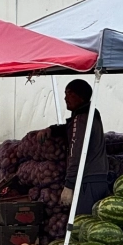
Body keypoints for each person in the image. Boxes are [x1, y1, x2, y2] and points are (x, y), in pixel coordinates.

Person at [41, 79, 108, 216]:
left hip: (87, 181)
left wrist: (69, 185)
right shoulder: (91, 113)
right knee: (96, 222)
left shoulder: (82, 119)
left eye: (69, 93)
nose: (65, 98)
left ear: (80, 95)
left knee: (83, 224)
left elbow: (75, 153)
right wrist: (53, 130)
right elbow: (72, 129)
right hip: (98, 178)